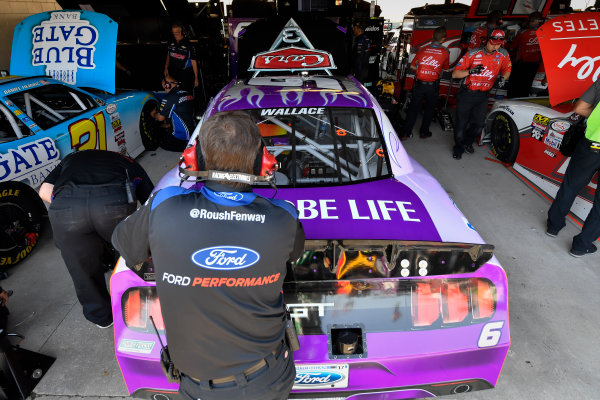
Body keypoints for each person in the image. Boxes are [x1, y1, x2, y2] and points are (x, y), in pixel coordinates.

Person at [112, 111, 305, 400]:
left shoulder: (163, 206)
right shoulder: (285, 218)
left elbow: (124, 245)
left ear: (196, 158)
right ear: (261, 161)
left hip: (198, 386)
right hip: (268, 378)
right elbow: (295, 254)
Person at [38, 150, 154, 328]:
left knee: (81, 267)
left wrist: (73, 207)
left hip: (66, 208)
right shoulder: (126, 161)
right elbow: (151, 201)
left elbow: (44, 191)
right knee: (130, 256)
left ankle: (102, 316)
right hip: (113, 203)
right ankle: (137, 310)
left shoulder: (69, 160)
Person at [547, 80, 600, 257]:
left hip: (592, 143)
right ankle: (581, 245)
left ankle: (553, 226)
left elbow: (579, 108)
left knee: (571, 185)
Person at [451, 29, 512, 160]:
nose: (496, 46)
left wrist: (503, 78)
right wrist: (470, 71)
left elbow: (507, 70)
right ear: (486, 40)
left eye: (499, 43)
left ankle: (467, 142)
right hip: (467, 94)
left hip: (483, 95)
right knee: (461, 124)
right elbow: (455, 74)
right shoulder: (473, 53)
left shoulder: (503, 54)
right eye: (493, 43)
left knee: (478, 125)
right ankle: (458, 147)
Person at [401, 26, 450, 140]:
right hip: (432, 86)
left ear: (432, 36)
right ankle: (424, 133)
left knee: (413, 109)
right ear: (443, 39)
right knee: (429, 109)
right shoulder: (445, 52)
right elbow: (446, 69)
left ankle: (405, 133)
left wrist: (421, 70)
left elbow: (412, 66)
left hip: (419, 85)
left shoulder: (422, 49)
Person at [151, 76, 195, 152]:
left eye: (164, 86)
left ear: (167, 85)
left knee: (159, 141)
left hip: (182, 137)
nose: (164, 88)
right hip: (194, 131)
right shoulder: (187, 92)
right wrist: (169, 125)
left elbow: (160, 118)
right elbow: (182, 113)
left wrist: (153, 114)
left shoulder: (170, 97)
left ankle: (186, 147)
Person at [507, 12, 543, 98]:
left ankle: (511, 102)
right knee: (527, 85)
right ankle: (522, 101)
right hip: (534, 64)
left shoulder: (523, 32)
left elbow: (512, 48)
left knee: (514, 85)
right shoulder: (544, 33)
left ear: (531, 20)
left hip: (521, 63)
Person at [164, 22, 199, 94]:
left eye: (177, 32)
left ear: (182, 32)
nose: (175, 34)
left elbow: (193, 61)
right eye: (173, 32)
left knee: (186, 93)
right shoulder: (171, 42)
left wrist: (196, 78)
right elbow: (168, 54)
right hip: (174, 71)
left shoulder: (188, 44)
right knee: (174, 92)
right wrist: (166, 67)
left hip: (186, 73)